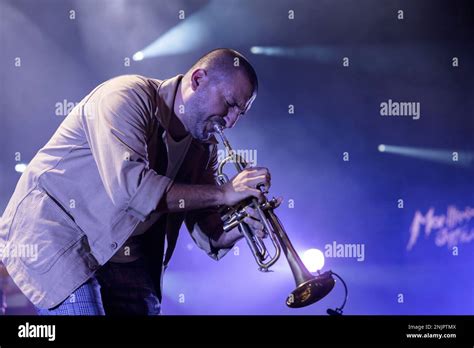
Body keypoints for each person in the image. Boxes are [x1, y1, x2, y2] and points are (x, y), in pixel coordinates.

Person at [0, 48, 273, 315]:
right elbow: (133, 192)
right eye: (229, 104)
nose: (232, 120)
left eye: (240, 113)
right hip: (60, 237)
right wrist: (224, 193)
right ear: (198, 80)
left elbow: (207, 229)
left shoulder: (205, 147)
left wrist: (241, 225)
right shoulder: (126, 96)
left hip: (125, 254)